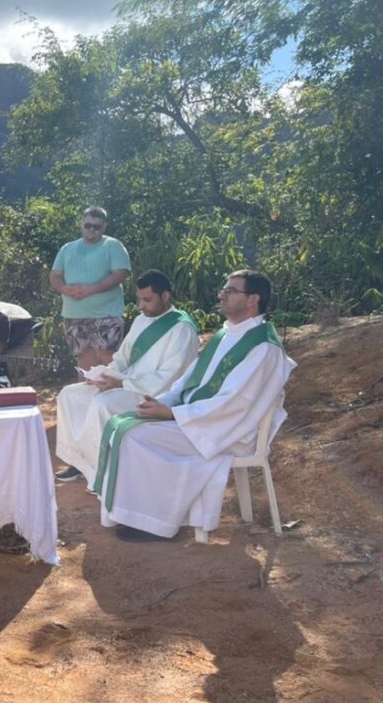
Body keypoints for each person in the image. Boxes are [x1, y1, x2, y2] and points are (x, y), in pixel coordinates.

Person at [93, 271, 294, 541]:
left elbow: (236, 405)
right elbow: (190, 380)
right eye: (224, 288)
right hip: (201, 420)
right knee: (120, 426)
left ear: (253, 299)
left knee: (133, 437)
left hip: (227, 431)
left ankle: (155, 522)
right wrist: (163, 402)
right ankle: (137, 514)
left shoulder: (264, 348)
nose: (221, 294)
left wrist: (172, 414)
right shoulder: (226, 334)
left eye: (231, 290)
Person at [54, 270, 199, 485]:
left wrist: (121, 383)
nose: (141, 305)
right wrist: (104, 376)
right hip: (125, 383)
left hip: (151, 394)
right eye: (140, 299)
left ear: (166, 296)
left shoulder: (182, 329)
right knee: (70, 395)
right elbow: (122, 357)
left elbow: (171, 377)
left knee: (103, 404)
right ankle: (81, 462)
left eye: (147, 300)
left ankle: (104, 472)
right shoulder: (142, 320)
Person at [49, 207, 132, 371]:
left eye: (97, 226)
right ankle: (85, 396)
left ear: (104, 227)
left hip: (107, 313)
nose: (92, 229)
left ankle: (112, 396)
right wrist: (65, 289)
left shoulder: (113, 246)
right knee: (84, 363)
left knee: (108, 359)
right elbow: (55, 275)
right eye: (88, 225)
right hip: (74, 314)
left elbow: (120, 274)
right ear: (81, 225)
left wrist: (91, 289)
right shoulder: (67, 248)